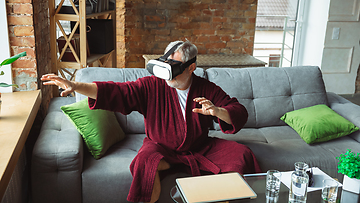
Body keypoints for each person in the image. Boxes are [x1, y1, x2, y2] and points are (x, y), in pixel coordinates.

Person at [41, 40, 261, 203]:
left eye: (175, 70)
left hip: (200, 148)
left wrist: (217, 111)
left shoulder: (206, 88)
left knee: (241, 155)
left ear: (191, 67)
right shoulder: (152, 85)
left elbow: (238, 110)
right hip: (161, 147)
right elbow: (117, 91)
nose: (168, 76)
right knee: (145, 163)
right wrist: (77, 86)